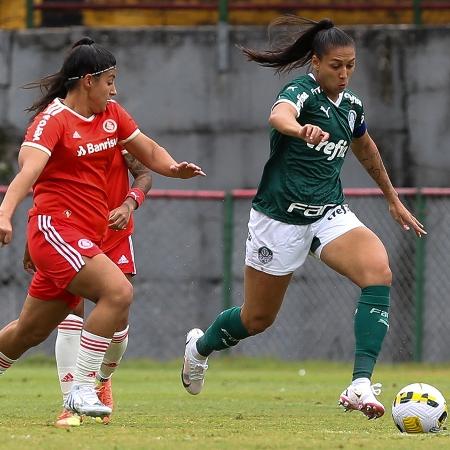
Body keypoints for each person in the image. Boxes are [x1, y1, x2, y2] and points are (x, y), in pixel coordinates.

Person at [181, 17, 425, 420]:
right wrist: (300, 131)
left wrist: (393, 199)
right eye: (336, 65)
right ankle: (200, 347)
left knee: (378, 271)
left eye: (350, 65)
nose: (344, 73)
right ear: (316, 62)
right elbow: (278, 116)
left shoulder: (351, 106)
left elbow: (366, 149)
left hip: (328, 213)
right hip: (279, 219)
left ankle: (360, 382)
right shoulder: (301, 91)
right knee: (257, 318)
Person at [0, 37, 205, 420]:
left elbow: (147, 149)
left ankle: (84, 386)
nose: (115, 88)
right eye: (110, 80)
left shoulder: (111, 114)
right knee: (118, 292)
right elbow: (27, 172)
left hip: (86, 235)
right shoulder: (52, 120)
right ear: (88, 80)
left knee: (28, 332)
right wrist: (4, 213)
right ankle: (81, 390)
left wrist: (173, 167)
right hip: (54, 230)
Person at [23, 147, 152, 427]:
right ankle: (70, 404)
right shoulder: (62, 135)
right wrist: (31, 240)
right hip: (73, 234)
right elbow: (45, 190)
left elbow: (144, 173)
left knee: (118, 326)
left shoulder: (118, 133)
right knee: (69, 319)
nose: (110, 99)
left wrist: (128, 205)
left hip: (115, 237)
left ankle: (102, 381)